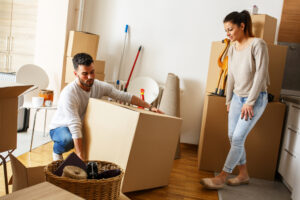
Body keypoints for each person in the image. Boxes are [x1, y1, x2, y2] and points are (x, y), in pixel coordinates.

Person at [200, 10, 269, 189]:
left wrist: (250, 102)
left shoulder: (258, 44)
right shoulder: (232, 47)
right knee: (233, 136)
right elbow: (230, 75)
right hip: (237, 98)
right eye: (226, 30)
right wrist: (229, 100)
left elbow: (261, 74)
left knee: (237, 137)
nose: (228, 34)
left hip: (255, 99)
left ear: (242, 26)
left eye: (230, 29)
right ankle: (243, 174)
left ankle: (222, 177)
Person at [49, 53, 163, 161]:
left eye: (92, 72)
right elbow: (74, 124)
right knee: (67, 140)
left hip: (81, 124)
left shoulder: (98, 85)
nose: (90, 77)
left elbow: (123, 96)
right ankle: (56, 151)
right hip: (61, 127)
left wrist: (149, 107)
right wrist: (79, 154)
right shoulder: (69, 93)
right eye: (84, 74)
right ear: (75, 74)